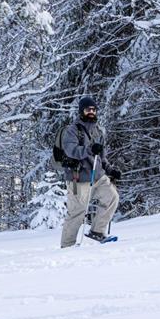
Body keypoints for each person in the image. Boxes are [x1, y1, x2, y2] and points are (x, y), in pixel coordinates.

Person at [60, 96, 122, 247]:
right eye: (88, 109)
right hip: (78, 177)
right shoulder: (72, 130)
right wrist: (88, 149)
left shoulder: (98, 131)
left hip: (97, 175)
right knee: (77, 212)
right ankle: (67, 246)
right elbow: (70, 150)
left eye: (94, 110)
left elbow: (101, 157)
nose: (91, 112)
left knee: (111, 197)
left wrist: (110, 170)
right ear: (82, 111)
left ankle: (97, 231)